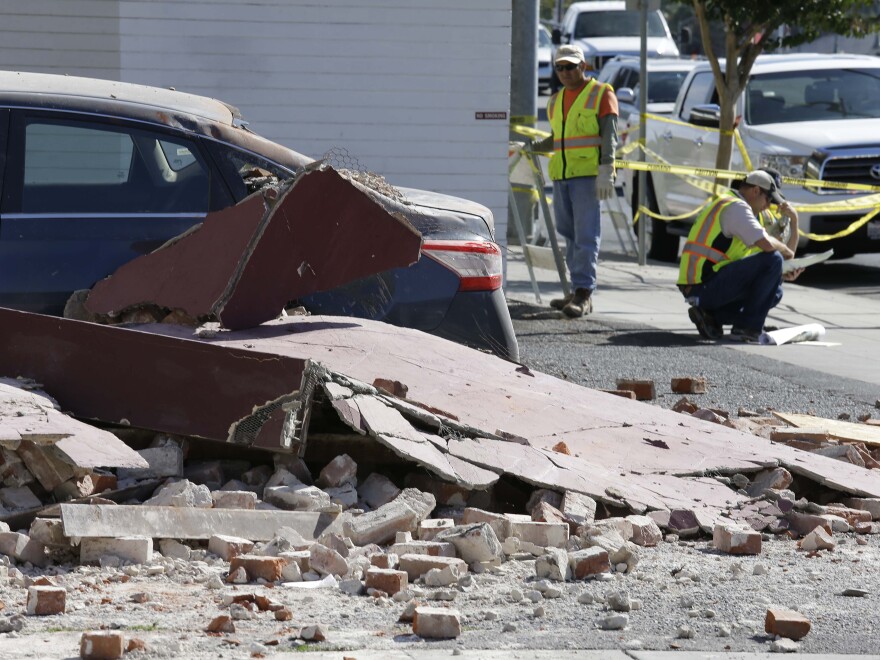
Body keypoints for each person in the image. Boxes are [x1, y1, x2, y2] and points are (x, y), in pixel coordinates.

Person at [530, 44, 619, 318]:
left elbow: (609, 135)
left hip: (587, 176)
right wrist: (536, 146)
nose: (565, 72)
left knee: (585, 236)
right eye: (560, 67)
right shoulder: (556, 100)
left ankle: (584, 293)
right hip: (562, 176)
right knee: (569, 235)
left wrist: (607, 168)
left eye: (570, 66)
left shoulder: (601, 93)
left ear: (583, 66)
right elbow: (561, 138)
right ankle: (575, 288)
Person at [678, 169, 802, 342]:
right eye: (768, 199)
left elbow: (777, 253)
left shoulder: (755, 215)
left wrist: (794, 224)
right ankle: (747, 328)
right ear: (755, 191)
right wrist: (787, 256)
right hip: (700, 286)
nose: (768, 206)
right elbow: (768, 245)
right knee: (773, 260)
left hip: (709, 284)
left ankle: (712, 317)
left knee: (776, 290)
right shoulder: (735, 207)